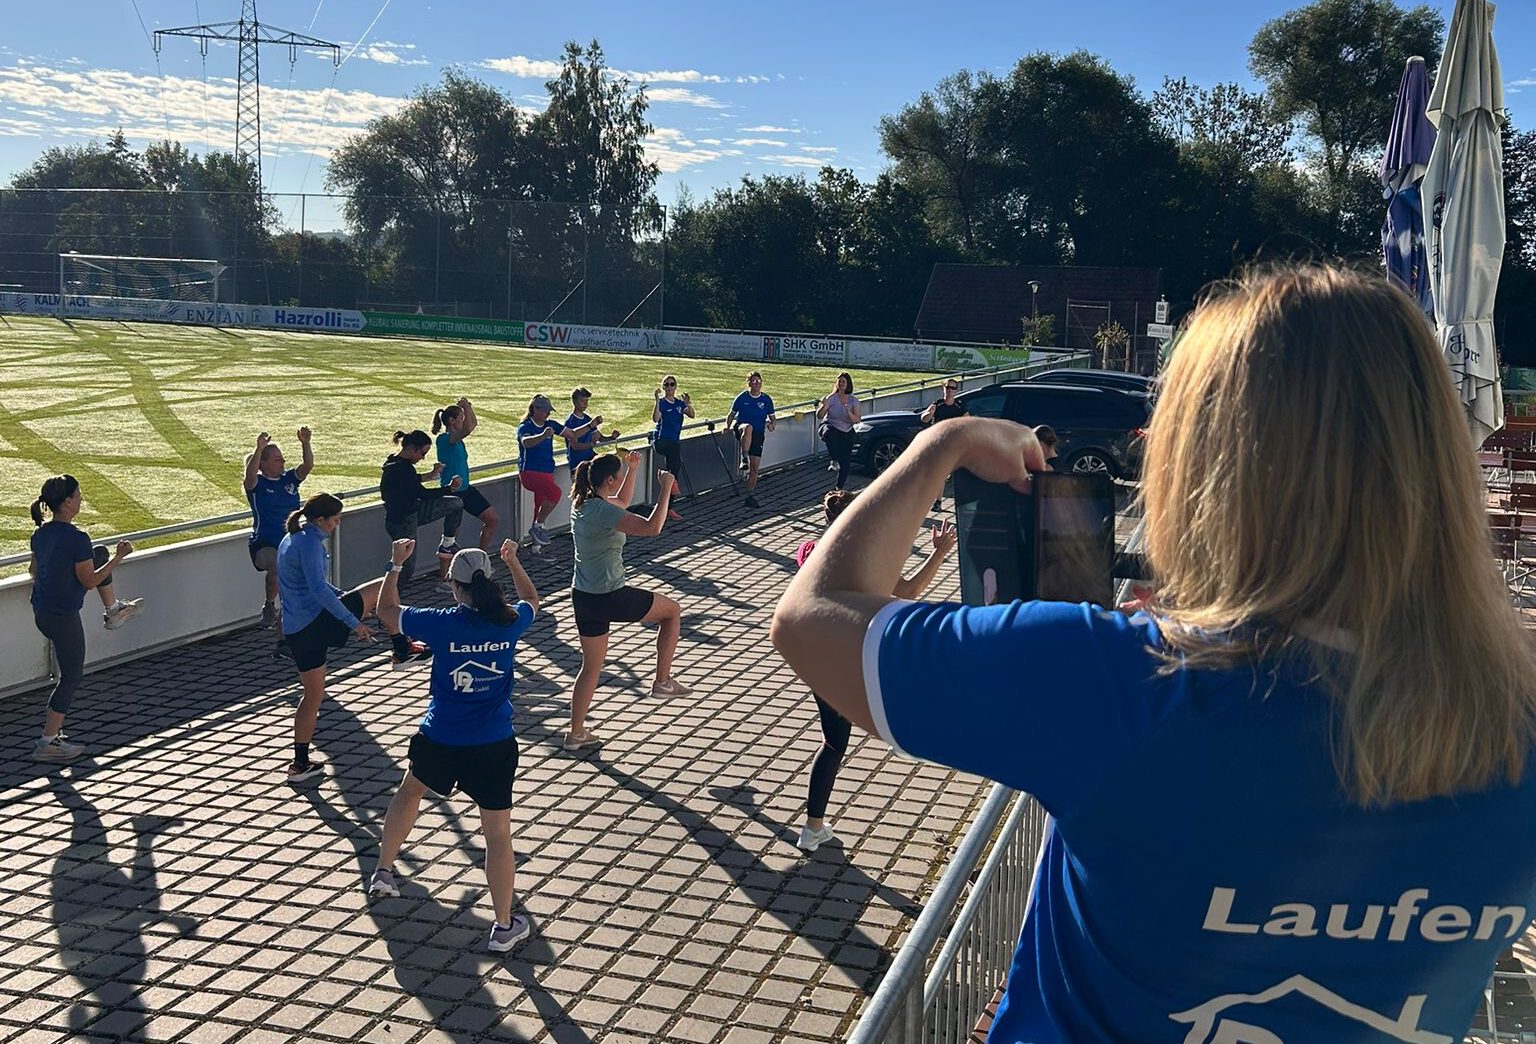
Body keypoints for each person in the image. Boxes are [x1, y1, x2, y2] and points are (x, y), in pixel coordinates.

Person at [771, 265, 1536, 1042]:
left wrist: (945, 443)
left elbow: (811, 615)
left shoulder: (1116, 680)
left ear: (1209, 467)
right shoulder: (1518, 715)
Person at [369, 537, 540, 953]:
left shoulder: (443, 622)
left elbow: (386, 611)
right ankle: (503, 926)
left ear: (454, 585)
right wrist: (514, 561)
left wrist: (395, 566)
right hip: (493, 742)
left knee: (410, 790)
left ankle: (384, 872)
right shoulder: (511, 620)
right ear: (491, 582)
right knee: (497, 834)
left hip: (440, 735)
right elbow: (532, 599)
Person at [792, 489, 956, 852]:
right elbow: (910, 590)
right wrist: (939, 553)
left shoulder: (811, 551)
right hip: (847, 660)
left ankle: (814, 827)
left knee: (833, 742)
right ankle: (812, 827)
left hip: (814, 658)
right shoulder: (863, 561)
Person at [279, 493, 429, 784]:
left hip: (297, 630)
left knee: (312, 697)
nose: (338, 524)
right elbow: (319, 591)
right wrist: (353, 622)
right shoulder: (310, 543)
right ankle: (401, 647)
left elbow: (318, 587)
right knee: (383, 585)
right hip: (315, 622)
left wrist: (346, 600)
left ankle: (299, 764)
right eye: (335, 520)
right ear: (320, 520)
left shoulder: (292, 537)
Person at [565, 452, 690, 752]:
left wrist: (633, 468)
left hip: (583, 597)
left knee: (591, 666)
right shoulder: (601, 510)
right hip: (610, 594)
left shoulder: (582, 504)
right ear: (609, 479)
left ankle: (576, 733)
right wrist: (665, 489)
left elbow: (621, 502)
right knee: (672, 612)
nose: (621, 479)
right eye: (620, 474)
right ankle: (662, 681)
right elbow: (652, 527)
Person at [27, 476, 145, 763]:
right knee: (71, 677)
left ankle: (114, 609)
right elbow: (91, 580)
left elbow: (34, 571)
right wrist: (119, 557)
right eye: (78, 495)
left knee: (98, 554)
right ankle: (48, 741)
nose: (81, 499)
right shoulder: (77, 539)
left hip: (43, 611)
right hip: (62, 616)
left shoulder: (41, 534)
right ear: (67, 502)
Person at [243, 427, 314, 642]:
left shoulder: (289, 480)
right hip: (264, 541)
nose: (282, 464)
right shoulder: (258, 485)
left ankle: (284, 639)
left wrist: (305, 443)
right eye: (276, 460)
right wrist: (259, 449)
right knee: (277, 564)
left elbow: (308, 466)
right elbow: (249, 478)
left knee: (291, 591)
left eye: (282, 460)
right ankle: (268, 605)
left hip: (290, 540)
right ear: (263, 464)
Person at [382, 430, 464, 586]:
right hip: (403, 521)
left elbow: (410, 482)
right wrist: (449, 488)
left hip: (410, 513)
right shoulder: (402, 469)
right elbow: (422, 493)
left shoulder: (394, 463)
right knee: (405, 568)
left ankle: (448, 543)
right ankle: (390, 599)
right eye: (422, 453)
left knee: (455, 503)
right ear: (412, 448)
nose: (422, 458)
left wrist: (430, 475)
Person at [518, 395, 600, 550]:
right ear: (535, 409)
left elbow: (573, 434)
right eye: (545, 411)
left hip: (547, 471)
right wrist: (543, 436)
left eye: (549, 411)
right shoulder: (526, 426)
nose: (548, 414)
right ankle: (537, 526)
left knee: (540, 504)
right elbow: (526, 443)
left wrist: (591, 425)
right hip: (530, 472)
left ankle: (536, 548)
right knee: (555, 493)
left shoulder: (551, 425)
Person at [433, 398, 500, 553]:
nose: (464, 421)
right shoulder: (444, 439)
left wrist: (468, 407)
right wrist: (465, 407)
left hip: (465, 490)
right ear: (451, 421)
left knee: (492, 520)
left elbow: (472, 424)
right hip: (453, 492)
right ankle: (447, 570)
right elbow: (469, 428)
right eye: (461, 419)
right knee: (451, 535)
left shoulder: (458, 441)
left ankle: (481, 557)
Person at [727, 371, 776, 510]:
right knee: (748, 428)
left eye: (758, 381)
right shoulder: (742, 398)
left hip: (759, 433)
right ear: (748, 383)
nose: (756, 384)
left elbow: (773, 417)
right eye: (753, 381)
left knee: (755, 469)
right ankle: (744, 458)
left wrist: (772, 425)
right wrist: (727, 426)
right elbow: (731, 414)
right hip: (742, 428)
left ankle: (749, 495)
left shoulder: (766, 399)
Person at [652, 375, 695, 521]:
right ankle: (672, 481)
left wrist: (688, 404)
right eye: (667, 385)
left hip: (673, 443)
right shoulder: (663, 403)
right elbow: (656, 419)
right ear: (663, 387)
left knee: (674, 466)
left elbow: (692, 415)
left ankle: (668, 506)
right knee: (674, 450)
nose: (670, 387)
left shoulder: (679, 403)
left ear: (676, 387)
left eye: (672, 385)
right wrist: (657, 401)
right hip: (661, 441)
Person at [920, 378, 966, 511]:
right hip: (937, 444)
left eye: (953, 388)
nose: (950, 390)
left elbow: (968, 420)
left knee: (942, 474)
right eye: (948, 387)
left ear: (956, 390)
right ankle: (936, 501)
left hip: (952, 445)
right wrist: (929, 413)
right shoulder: (937, 405)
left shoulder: (959, 407)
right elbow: (924, 418)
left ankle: (940, 501)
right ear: (943, 388)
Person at [816, 372, 862, 491]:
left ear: (848, 384)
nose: (841, 384)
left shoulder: (853, 401)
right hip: (831, 426)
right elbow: (819, 415)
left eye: (843, 382)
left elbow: (857, 420)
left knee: (846, 464)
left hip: (846, 430)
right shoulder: (831, 398)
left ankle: (839, 488)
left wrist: (849, 412)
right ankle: (834, 459)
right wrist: (823, 406)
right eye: (839, 381)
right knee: (829, 433)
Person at [566, 387, 620, 472]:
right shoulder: (570, 422)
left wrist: (611, 437)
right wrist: (591, 444)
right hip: (577, 464)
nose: (585, 404)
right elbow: (575, 446)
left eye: (586, 401)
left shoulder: (588, 419)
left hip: (590, 461)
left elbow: (600, 437)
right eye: (582, 401)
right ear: (574, 402)